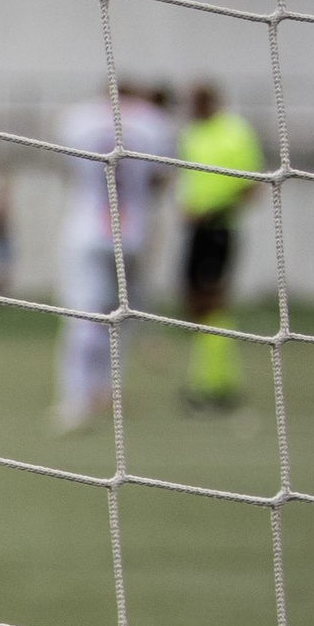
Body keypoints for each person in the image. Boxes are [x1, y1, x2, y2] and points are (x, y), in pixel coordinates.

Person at [50, 81, 169, 436]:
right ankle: (102, 391)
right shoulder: (154, 122)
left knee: (83, 317)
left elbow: (69, 171)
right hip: (132, 232)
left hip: (85, 230)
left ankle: (76, 397)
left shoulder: (76, 119)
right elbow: (159, 180)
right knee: (120, 318)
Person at [175, 81, 262, 411]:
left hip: (219, 229)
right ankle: (208, 379)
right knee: (196, 306)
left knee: (213, 303)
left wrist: (212, 211)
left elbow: (251, 187)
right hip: (195, 231)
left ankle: (218, 385)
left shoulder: (235, 132)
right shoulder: (192, 134)